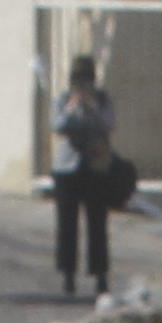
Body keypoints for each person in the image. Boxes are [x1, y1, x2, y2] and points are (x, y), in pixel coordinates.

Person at [51, 55, 119, 294]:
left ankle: (100, 275)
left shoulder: (102, 99)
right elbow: (57, 125)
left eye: (86, 80)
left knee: (97, 224)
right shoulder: (63, 98)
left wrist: (92, 107)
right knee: (67, 224)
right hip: (67, 169)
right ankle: (68, 274)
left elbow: (109, 124)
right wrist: (71, 108)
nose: (81, 85)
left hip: (95, 168)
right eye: (78, 80)